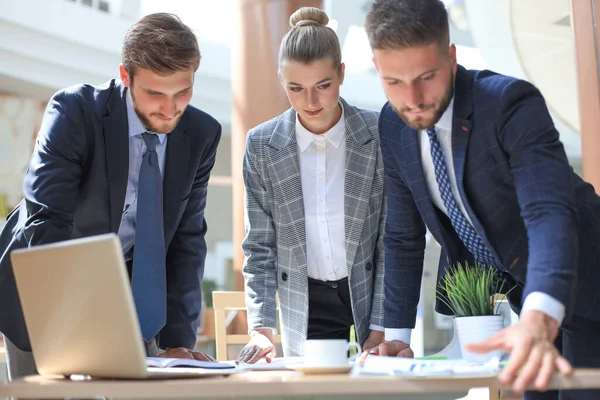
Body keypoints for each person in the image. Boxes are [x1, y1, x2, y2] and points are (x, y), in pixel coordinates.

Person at [362, 0, 600, 398]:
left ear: (451, 57)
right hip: (530, 298)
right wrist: (397, 338)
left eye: (426, 76)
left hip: (589, 282)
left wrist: (541, 319)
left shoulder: (509, 103)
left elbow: (548, 215)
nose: (413, 97)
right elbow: (403, 237)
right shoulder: (392, 124)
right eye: (394, 82)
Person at [0, 12, 221, 381]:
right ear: (125, 76)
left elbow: (186, 238)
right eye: (155, 93)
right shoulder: (74, 111)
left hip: (131, 297)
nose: (170, 109)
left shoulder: (201, 133)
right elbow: (47, 221)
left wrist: (178, 340)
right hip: (45, 291)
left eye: (182, 92)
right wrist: (74, 329)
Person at [237, 7, 386, 362]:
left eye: (323, 85)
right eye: (295, 88)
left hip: (368, 297)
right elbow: (260, 247)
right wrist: (261, 329)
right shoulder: (261, 146)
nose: (310, 101)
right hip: (303, 302)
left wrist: (383, 325)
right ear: (281, 81)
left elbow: (390, 239)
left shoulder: (379, 135)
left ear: (342, 74)